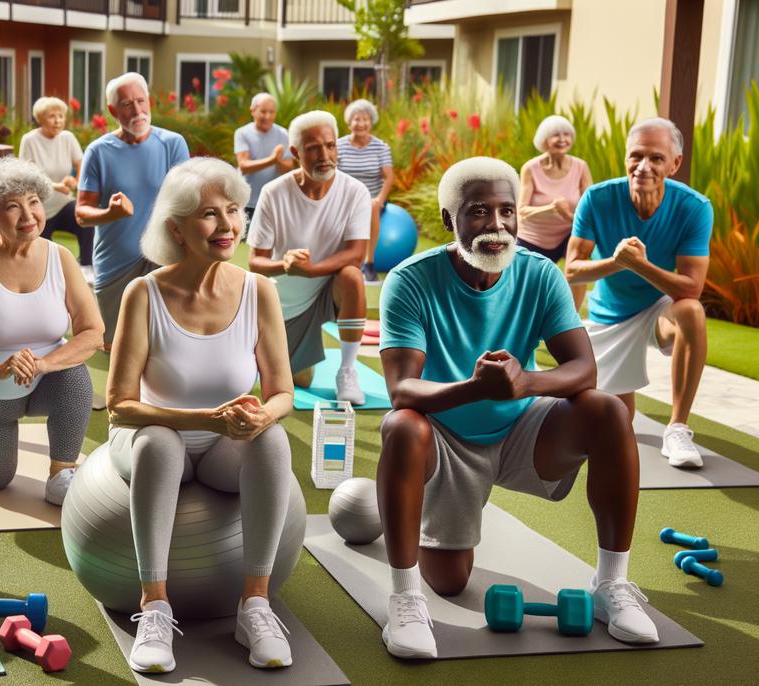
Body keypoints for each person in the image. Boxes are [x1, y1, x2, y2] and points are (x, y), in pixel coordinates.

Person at [376, 157, 659, 659]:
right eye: (479, 211)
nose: (496, 225)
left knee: (608, 410)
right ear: (449, 219)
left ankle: (610, 585)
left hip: (521, 431)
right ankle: (405, 595)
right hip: (445, 439)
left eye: (507, 211)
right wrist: (476, 387)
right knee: (404, 435)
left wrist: (525, 382)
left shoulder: (539, 274)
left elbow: (584, 369)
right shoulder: (409, 280)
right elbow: (402, 390)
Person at [107, 158, 297, 673]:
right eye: (209, 214)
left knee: (274, 439)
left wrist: (261, 418)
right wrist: (205, 420)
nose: (228, 225)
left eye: (234, 211)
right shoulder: (143, 293)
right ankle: (154, 608)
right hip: (149, 440)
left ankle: (254, 604)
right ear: (177, 228)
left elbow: (284, 392)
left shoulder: (259, 290)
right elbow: (120, 404)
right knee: (160, 443)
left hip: (223, 447)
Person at [0, 157, 103, 505]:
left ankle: (62, 472)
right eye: (13, 207)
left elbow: (92, 333)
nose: (28, 216)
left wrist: (43, 364)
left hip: (43, 383)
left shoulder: (60, 257)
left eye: (34, 202)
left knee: (74, 375)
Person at [566, 117, 712, 468]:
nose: (643, 167)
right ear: (626, 157)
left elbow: (692, 287)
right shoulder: (597, 198)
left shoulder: (694, 207)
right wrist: (619, 261)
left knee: (692, 311)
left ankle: (677, 428)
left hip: (658, 311)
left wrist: (639, 264)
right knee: (617, 422)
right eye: (636, 156)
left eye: (657, 159)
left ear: (675, 164)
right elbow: (572, 269)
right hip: (608, 315)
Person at [247, 110, 371, 404]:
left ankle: (347, 370)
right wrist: (286, 265)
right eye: (314, 148)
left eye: (330, 146)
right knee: (299, 380)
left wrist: (312, 270)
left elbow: (356, 254)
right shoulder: (273, 192)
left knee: (352, 276)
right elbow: (256, 263)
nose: (324, 155)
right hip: (285, 306)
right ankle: (290, 353)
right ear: (296, 152)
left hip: (327, 291)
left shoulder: (355, 192)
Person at [77, 72, 190, 350]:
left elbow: (188, 201)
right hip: (116, 261)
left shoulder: (173, 144)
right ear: (114, 110)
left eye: (141, 101)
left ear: (149, 101)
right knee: (114, 345)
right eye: (127, 104)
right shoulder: (98, 151)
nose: (137, 110)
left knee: (166, 342)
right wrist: (109, 215)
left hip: (164, 257)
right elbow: (82, 212)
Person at [518, 114, 592, 309]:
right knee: (528, 288)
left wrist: (568, 216)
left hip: (568, 233)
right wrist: (550, 209)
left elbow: (590, 207)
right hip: (534, 236)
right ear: (544, 141)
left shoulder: (580, 166)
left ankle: (573, 320)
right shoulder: (531, 168)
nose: (562, 140)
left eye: (567, 134)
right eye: (556, 135)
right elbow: (522, 210)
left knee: (579, 269)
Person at [19, 96, 95, 283]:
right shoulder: (29, 140)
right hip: (38, 208)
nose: (58, 120)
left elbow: (81, 163)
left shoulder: (68, 138)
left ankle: (86, 265)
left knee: (85, 216)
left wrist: (75, 180)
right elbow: (27, 175)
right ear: (40, 119)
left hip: (63, 203)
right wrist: (55, 186)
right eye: (52, 116)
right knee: (43, 258)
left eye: (61, 116)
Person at [336, 99, 393, 283]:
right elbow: (332, 175)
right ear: (349, 122)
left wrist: (380, 199)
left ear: (371, 122)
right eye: (356, 119)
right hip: (345, 199)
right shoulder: (339, 146)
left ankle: (369, 264)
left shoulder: (380, 146)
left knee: (371, 206)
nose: (360, 123)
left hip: (372, 199)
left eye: (365, 119)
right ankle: (341, 261)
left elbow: (389, 176)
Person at [234, 92, 293, 226]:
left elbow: (289, 167)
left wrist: (278, 161)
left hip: (274, 201)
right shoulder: (242, 133)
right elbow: (243, 166)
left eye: (271, 112)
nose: (267, 116)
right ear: (252, 111)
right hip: (248, 201)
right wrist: (272, 159)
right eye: (263, 111)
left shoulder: (283, 134)